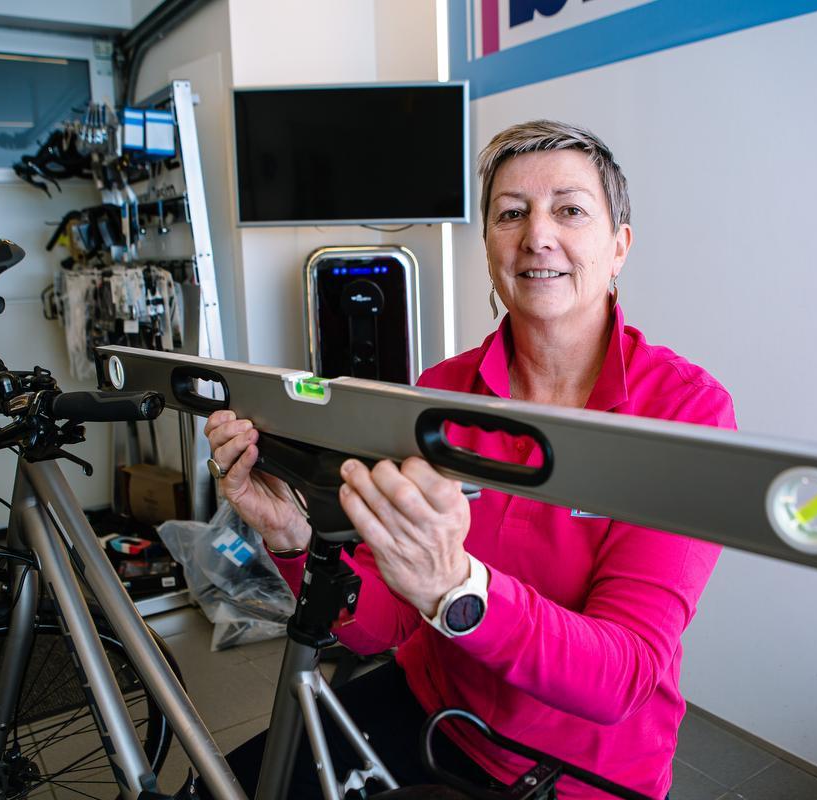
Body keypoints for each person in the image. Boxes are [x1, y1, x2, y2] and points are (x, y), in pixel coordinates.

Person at [203, 120, 736, 800]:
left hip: (581, 775)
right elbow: (384, 626)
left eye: (570, 210)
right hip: (436, 709)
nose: (537, 236)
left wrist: (456, 588)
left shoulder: (685, 411)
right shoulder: (439, 394)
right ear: (488, 246)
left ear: (619, 246)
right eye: (511, 213)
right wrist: (293, 536)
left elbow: (622, 677)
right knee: (217, 789)